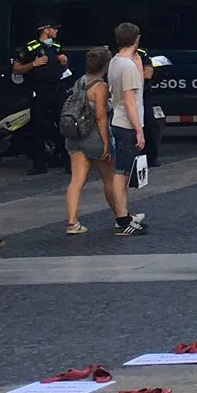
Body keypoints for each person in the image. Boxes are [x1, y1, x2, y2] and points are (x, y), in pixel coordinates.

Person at [60, 47, 123, 236]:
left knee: (76, 180)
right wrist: (105, 142)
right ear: (106, 65)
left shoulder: (80, 82)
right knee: (110, 179)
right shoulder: (101, 87)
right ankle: (120, 216)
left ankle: (72, 222)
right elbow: (101, 117)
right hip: (93, 137)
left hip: (74, 137)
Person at [106, 23, 150, 237]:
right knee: (122, 173)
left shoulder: (116, 62)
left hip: (118, 120)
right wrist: (139, 130)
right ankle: (122, 219)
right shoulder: (128, 67)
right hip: (127, 124)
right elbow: (131, 101)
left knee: (122, 171)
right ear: (137, 40)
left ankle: (123, 216)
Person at [9, 20, 68, 174]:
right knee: (39, 128)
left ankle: (67, 161)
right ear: (45, 30)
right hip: (40, 92)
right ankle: (39, 164)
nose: (56, 31)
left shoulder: (56, 47)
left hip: (56, 90)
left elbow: (62, 67)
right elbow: (16, 68)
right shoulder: (31, 48)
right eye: (54, 28)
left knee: (63, 126)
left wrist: (63, 62)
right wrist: (33, 65)